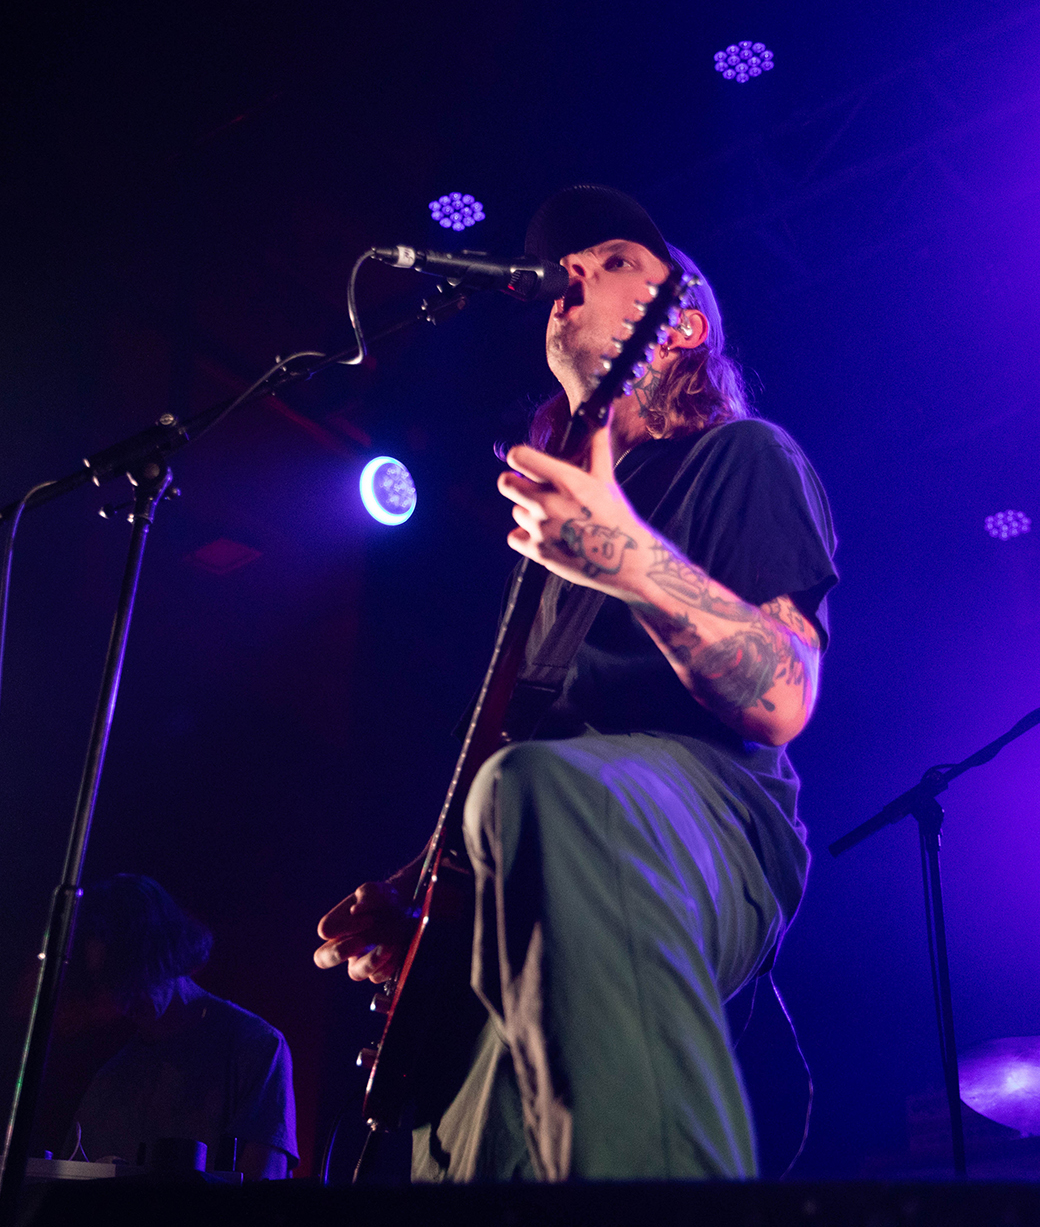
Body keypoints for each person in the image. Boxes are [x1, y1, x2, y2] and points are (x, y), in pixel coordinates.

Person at [314, 186, 839, 1181]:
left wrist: (623, 554)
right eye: (567, 263)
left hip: (705, 811)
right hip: (534, 858)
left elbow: (781, 694)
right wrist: (420, 886)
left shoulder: (741, 457)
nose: (572, 274)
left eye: (613, 259)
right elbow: (531, 739)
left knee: (539, 791)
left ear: (681, 324)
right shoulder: (554, 535)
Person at [66, 874, 297, 1178]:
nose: (122, 996)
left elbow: (264, 1195)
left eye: (131, 971)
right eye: (109, 980)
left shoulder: (257, 1047)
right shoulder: (110, 1080)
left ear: (166, 950)